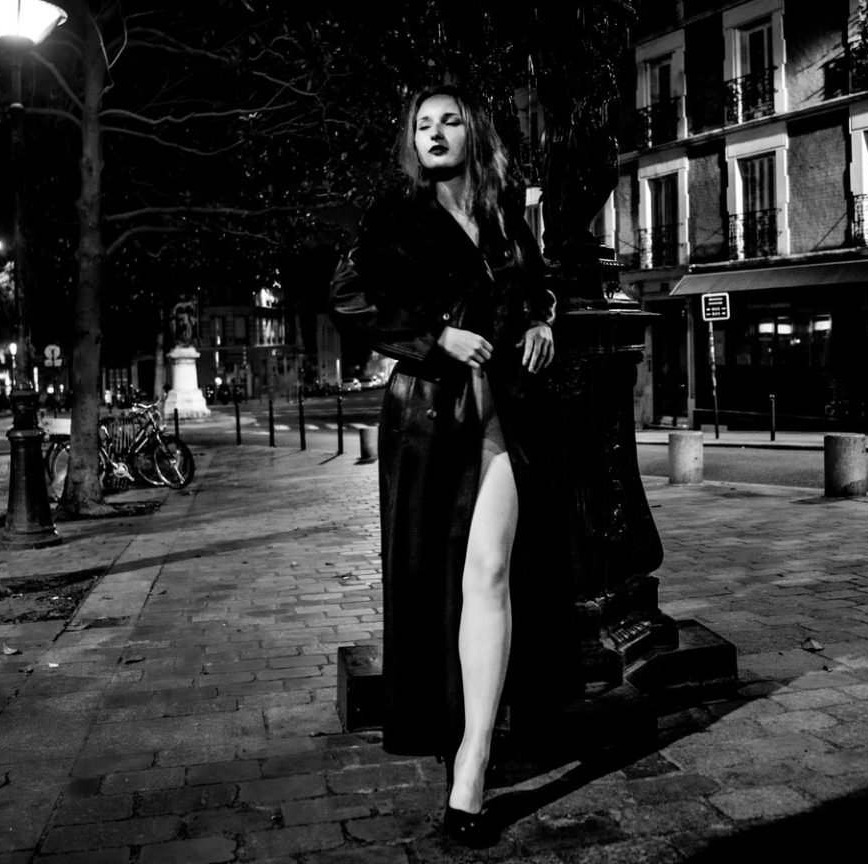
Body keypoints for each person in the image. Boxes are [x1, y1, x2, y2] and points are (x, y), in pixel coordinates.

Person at [329, 84, 578, 847]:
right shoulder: (395, 214)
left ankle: (473, 760)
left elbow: (538, 283)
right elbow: (348, 296)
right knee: (435, 581)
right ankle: (458, 735)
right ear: (412, 141)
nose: (434, 133)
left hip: (509, 411)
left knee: (491, 572)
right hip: (431, 418)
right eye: (422, 125)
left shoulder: (503, 215)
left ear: (476, 134)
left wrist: (542, 320)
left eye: (449, 121)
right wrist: (435, 336)